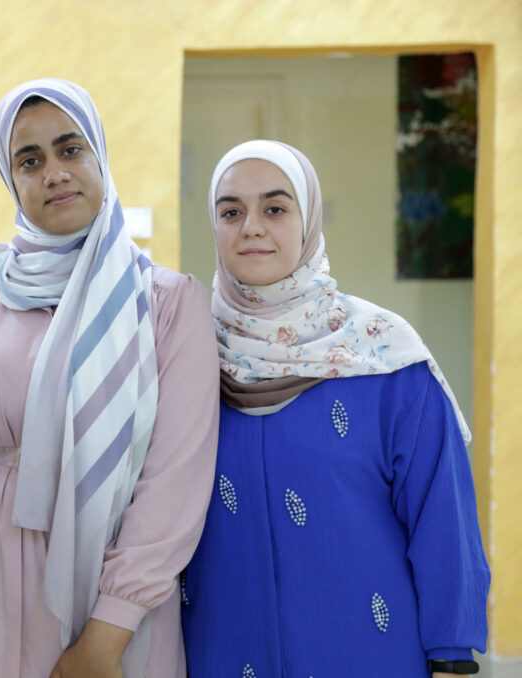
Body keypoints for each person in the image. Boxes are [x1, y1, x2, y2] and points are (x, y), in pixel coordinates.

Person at [0, 79, 219, 678]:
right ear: (12, 181)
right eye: (30, 161)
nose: (54, 172)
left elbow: (174, 481)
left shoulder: (163, 302)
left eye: (70, 149)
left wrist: (107, 635)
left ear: (99, 156)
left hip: (102, 592)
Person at [181, 140, 490, 677]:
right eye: (231, 211)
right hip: (221, 652)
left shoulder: (385, 357)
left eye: (275, 209)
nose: (251, 226)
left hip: (367, 653)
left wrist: (452, 659)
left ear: (309, 221)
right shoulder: (183, 353)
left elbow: (443, 521)